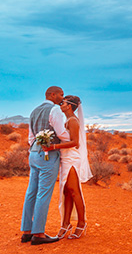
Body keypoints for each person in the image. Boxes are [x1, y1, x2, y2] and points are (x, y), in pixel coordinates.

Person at [20, 86, 70, 245]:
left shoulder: (34, 110)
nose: (62, 97)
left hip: (33, 154)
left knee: (31, 192)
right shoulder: (54, 110)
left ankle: (26, 231)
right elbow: (62, 134)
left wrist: (36, 147)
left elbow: (30, 137)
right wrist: (74, 136)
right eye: (61, 94)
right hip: (48, 155)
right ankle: (39, 234)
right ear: (52, 94)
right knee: (44, 194)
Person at [42, 95, 92, 240]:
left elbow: (75, 142)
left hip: (71, 158)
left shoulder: (73, 121)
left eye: (62, 103)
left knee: (74, 191)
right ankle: (66, 224)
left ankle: (82, 223)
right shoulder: (67, 120)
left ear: (69, 105)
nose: (60, 104)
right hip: (65, 158)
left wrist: (53, 147)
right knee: (66, 192)